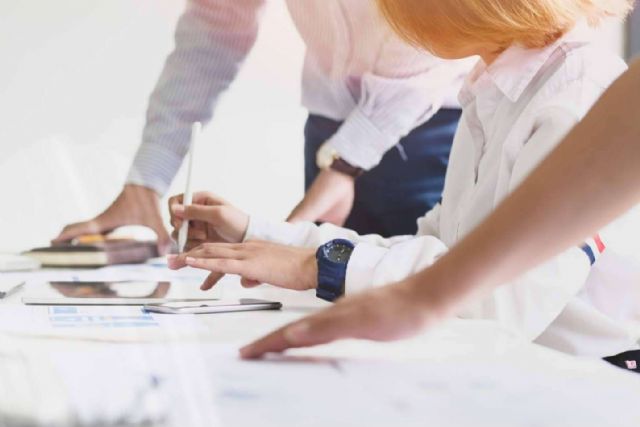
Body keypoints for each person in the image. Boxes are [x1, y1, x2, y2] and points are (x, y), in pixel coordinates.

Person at [168, 0, 638, 359]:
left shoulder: (576, 94)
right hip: (515, 364)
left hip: (586, 376)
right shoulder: (491, 91)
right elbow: (437, 250)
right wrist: (260, 234)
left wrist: (317, 266)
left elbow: (505, 303)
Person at [53, 0, 472, 251]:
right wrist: (146, 181)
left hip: (434, 126)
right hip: (330, 129)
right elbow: (215, 30)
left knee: (433, 300)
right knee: (323, 304)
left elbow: (432, 43)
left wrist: (347, 163)